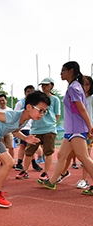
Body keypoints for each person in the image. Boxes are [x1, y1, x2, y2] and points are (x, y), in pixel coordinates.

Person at [37, 61, 93, 196]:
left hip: (77, 128)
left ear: (71, 71)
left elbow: (82, 109)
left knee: (83, 157)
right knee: (62, 155)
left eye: (63, 71)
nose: (61, 73)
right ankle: (52, 181)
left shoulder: (74, 88)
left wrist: (89, 127)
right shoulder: (74, 86)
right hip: (71, 129)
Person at [16, 78, 61, 180]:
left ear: (52, 86)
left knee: (48, 152)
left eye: (46, 84)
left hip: (49, 129)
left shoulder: (55, 99)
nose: (43, 86)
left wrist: (53, 125)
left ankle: (45, 173)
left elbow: (57, 114)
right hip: (35, 129)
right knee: (29, 151)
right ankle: (25, 171)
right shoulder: (36, 99)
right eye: (42, 85)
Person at [14, 85, 43, 172]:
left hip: (31, 127)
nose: (30, 93)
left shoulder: (35, 104)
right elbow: (15, 114)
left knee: (23, 146)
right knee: (30, 146)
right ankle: (33, 163)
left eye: (32, 91)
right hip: (23, 127)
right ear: (25, 93)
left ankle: (19, 163)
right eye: (28, 91)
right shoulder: (21, 102)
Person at [0, 94, 15, 165]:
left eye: (3, 100)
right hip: (0, 132)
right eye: (0, 101)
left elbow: (13, 120)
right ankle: (2, 161)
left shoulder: (10, 110)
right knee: (1, 148)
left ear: (6, 100)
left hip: (9, 131)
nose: (2, 102)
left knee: (11, 147)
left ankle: (11, 162)